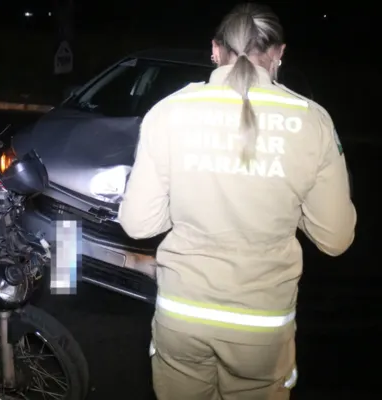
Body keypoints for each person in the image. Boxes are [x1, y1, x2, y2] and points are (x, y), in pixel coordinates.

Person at [118, 3, 356, 399]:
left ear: (215, 50)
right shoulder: (312, 120)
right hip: (262, 326)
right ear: (278, 53)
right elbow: (336, 238)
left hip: (183, 316)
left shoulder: (169, 112)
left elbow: (139, 224)